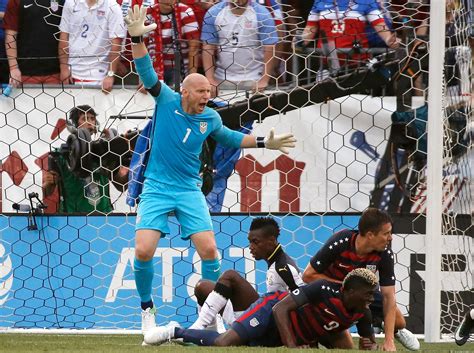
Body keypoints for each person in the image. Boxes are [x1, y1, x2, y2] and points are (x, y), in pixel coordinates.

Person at [124, 4, 296, 337]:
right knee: (144, 250)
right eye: (202, 91)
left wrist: (264, 142)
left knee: (209, 250)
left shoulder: (210, 118)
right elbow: (145, 70)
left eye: (209, 91)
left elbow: (230, 136)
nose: (208, 95)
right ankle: (147, 310)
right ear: (186, 92)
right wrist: (135, 37)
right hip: (157, 187)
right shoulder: (166, 101)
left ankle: (215, 313)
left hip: (189, 189)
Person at [144, 268, 378, 349]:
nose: (371, 298)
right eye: (367, 293)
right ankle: (174, 331)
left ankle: (189, 332)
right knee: (224, 343)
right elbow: (280, 309)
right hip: (270, 310)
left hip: (282, 333)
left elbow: (367, 344)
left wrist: (371, 345)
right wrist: (293, 346)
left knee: (232, 343)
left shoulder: (362, 312)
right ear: (349, 291)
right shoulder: (323, 288)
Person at [302, 208, 419, 351]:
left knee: (399, 322)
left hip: (364, 295)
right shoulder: (341, 242)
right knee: (346, 347)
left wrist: (389, 341)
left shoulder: (385, 254)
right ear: (370, 235)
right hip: (332, 293)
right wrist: (348, 288)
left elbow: (389, 296)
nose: (391, 238)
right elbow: (308, 276)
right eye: (386, 233)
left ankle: (385, 327)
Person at [189, 216, 304, 330]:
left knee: (230, 276)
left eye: (255, 242)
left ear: (272, 240)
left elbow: (304, 301)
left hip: (267, 328)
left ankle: (197, 328)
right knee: (202, 286)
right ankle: (210, 330)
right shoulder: (274, 263)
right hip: (260, 318)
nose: (251, 247)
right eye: (250, 242)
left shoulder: (283, 267)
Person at [43, 105, 129, 213]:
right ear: (74, 125)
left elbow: (121, 186)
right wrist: (49, 183)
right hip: (72, 217)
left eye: (92, 119)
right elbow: (47, 192)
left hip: (104, 217)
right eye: (84, 119)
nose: (89, 122)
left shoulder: (103, 152)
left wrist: (135, 168)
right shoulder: (61, 155)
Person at [200, 0, 279, 95]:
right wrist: (210, 79)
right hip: (222, 79)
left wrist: (264, 79)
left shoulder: (262, 14)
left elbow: (270, 48)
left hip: (254, 79)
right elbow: (208, 48)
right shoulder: (213, 13)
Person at [303, 0, 399, 72]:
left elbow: (379, 24)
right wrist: (300, 40)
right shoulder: (320, 1)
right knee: (325, 97)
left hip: (358, 66)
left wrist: (388, 39)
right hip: (327, 66)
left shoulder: (366, 1)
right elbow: (311, 27)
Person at [58, 0, 126, 92]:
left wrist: (110, 75)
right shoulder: (71, 2)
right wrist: (64, 67)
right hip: (71, 75)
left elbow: (116, 44)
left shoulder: (113, 7)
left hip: (98, 77)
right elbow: (64, 36)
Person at [4, 0, 63, 87]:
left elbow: (67, 34)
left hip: (56, 72)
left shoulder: (64, 1)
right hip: (24, 72)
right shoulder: (16, 1)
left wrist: (64, 67)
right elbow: (10, 34)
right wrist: (13, 68)